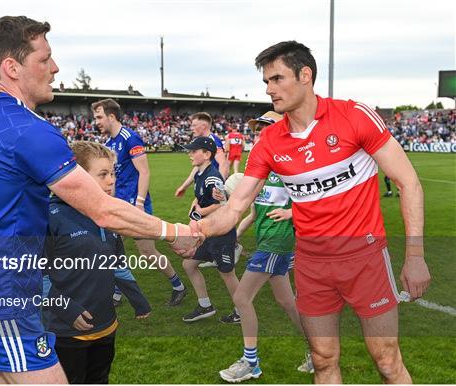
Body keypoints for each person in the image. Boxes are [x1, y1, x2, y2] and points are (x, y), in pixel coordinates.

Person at [0, 16, 200, 384]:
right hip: (5, 294)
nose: (55, 67)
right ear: (11, 67)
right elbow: (103, 209)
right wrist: (176, 231)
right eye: (44, 59)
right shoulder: (27, 128)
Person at [188, 40, 430, 384]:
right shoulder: (270, 142)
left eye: (277, 79)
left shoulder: (353, 116)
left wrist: (416, 255)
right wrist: (194, 233)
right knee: (323, 359)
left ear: (305, 75)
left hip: (365, 259)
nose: (270, 89)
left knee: (387, 360)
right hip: (312, 264)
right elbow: (236, 206)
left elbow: (408, 183)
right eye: (266, 82)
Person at [43, 141, 151, 384]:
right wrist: (66, 309)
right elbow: (35, 275)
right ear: (77, 177)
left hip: (106, 325)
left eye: (113, 173)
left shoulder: (110, 215)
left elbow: (118, 264)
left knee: (99, 379)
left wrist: (138, 299)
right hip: (66, 332)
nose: (111, 180)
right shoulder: (50, 218)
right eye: (103, 174)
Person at [218, 115, 313, 383]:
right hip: (267, 239)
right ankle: (317, 350)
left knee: (241, 298)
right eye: (258, 130)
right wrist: (235, 234)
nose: (259, 133)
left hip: (277, 241)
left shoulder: (290, 163)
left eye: (265, 129)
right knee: (287, 303)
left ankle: (251, 363)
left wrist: (292, 212)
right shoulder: (262, 165)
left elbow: (315, 195)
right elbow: (253, 211)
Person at [92, 98, 187, 306]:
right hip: (119, 207)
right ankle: (116, 293)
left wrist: (140, 203)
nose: (96, 121)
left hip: (135, 206)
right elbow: (113, 178)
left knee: (147, 252)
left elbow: (144, 171)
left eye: (99, 117)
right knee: (111, 249)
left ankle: (178, 286)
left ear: (111, 116)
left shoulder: (130, 138)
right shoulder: (109, 143)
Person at [181, 137, 240, 324]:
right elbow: (199, 198)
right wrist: (194, 206)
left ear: (206, 154)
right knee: (188, 265)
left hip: (221, 234)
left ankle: (242, 311)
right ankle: (205, 305)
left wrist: (199, 213)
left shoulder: (213, 177)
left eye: (193, 150)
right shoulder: (200, 174)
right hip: (208, 233)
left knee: (227, 274)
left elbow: (221, 204)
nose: (190, 154)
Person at [174, 112, 229, 198]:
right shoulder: (202, 141)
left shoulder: (213, 141)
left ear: (203, 126)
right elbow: (197, 168)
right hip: (205, 185)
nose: (191, 128)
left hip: (212, 189)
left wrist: (219, 187)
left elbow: (224, 164)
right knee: (195, 210)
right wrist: (184, 186)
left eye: (194, 125)